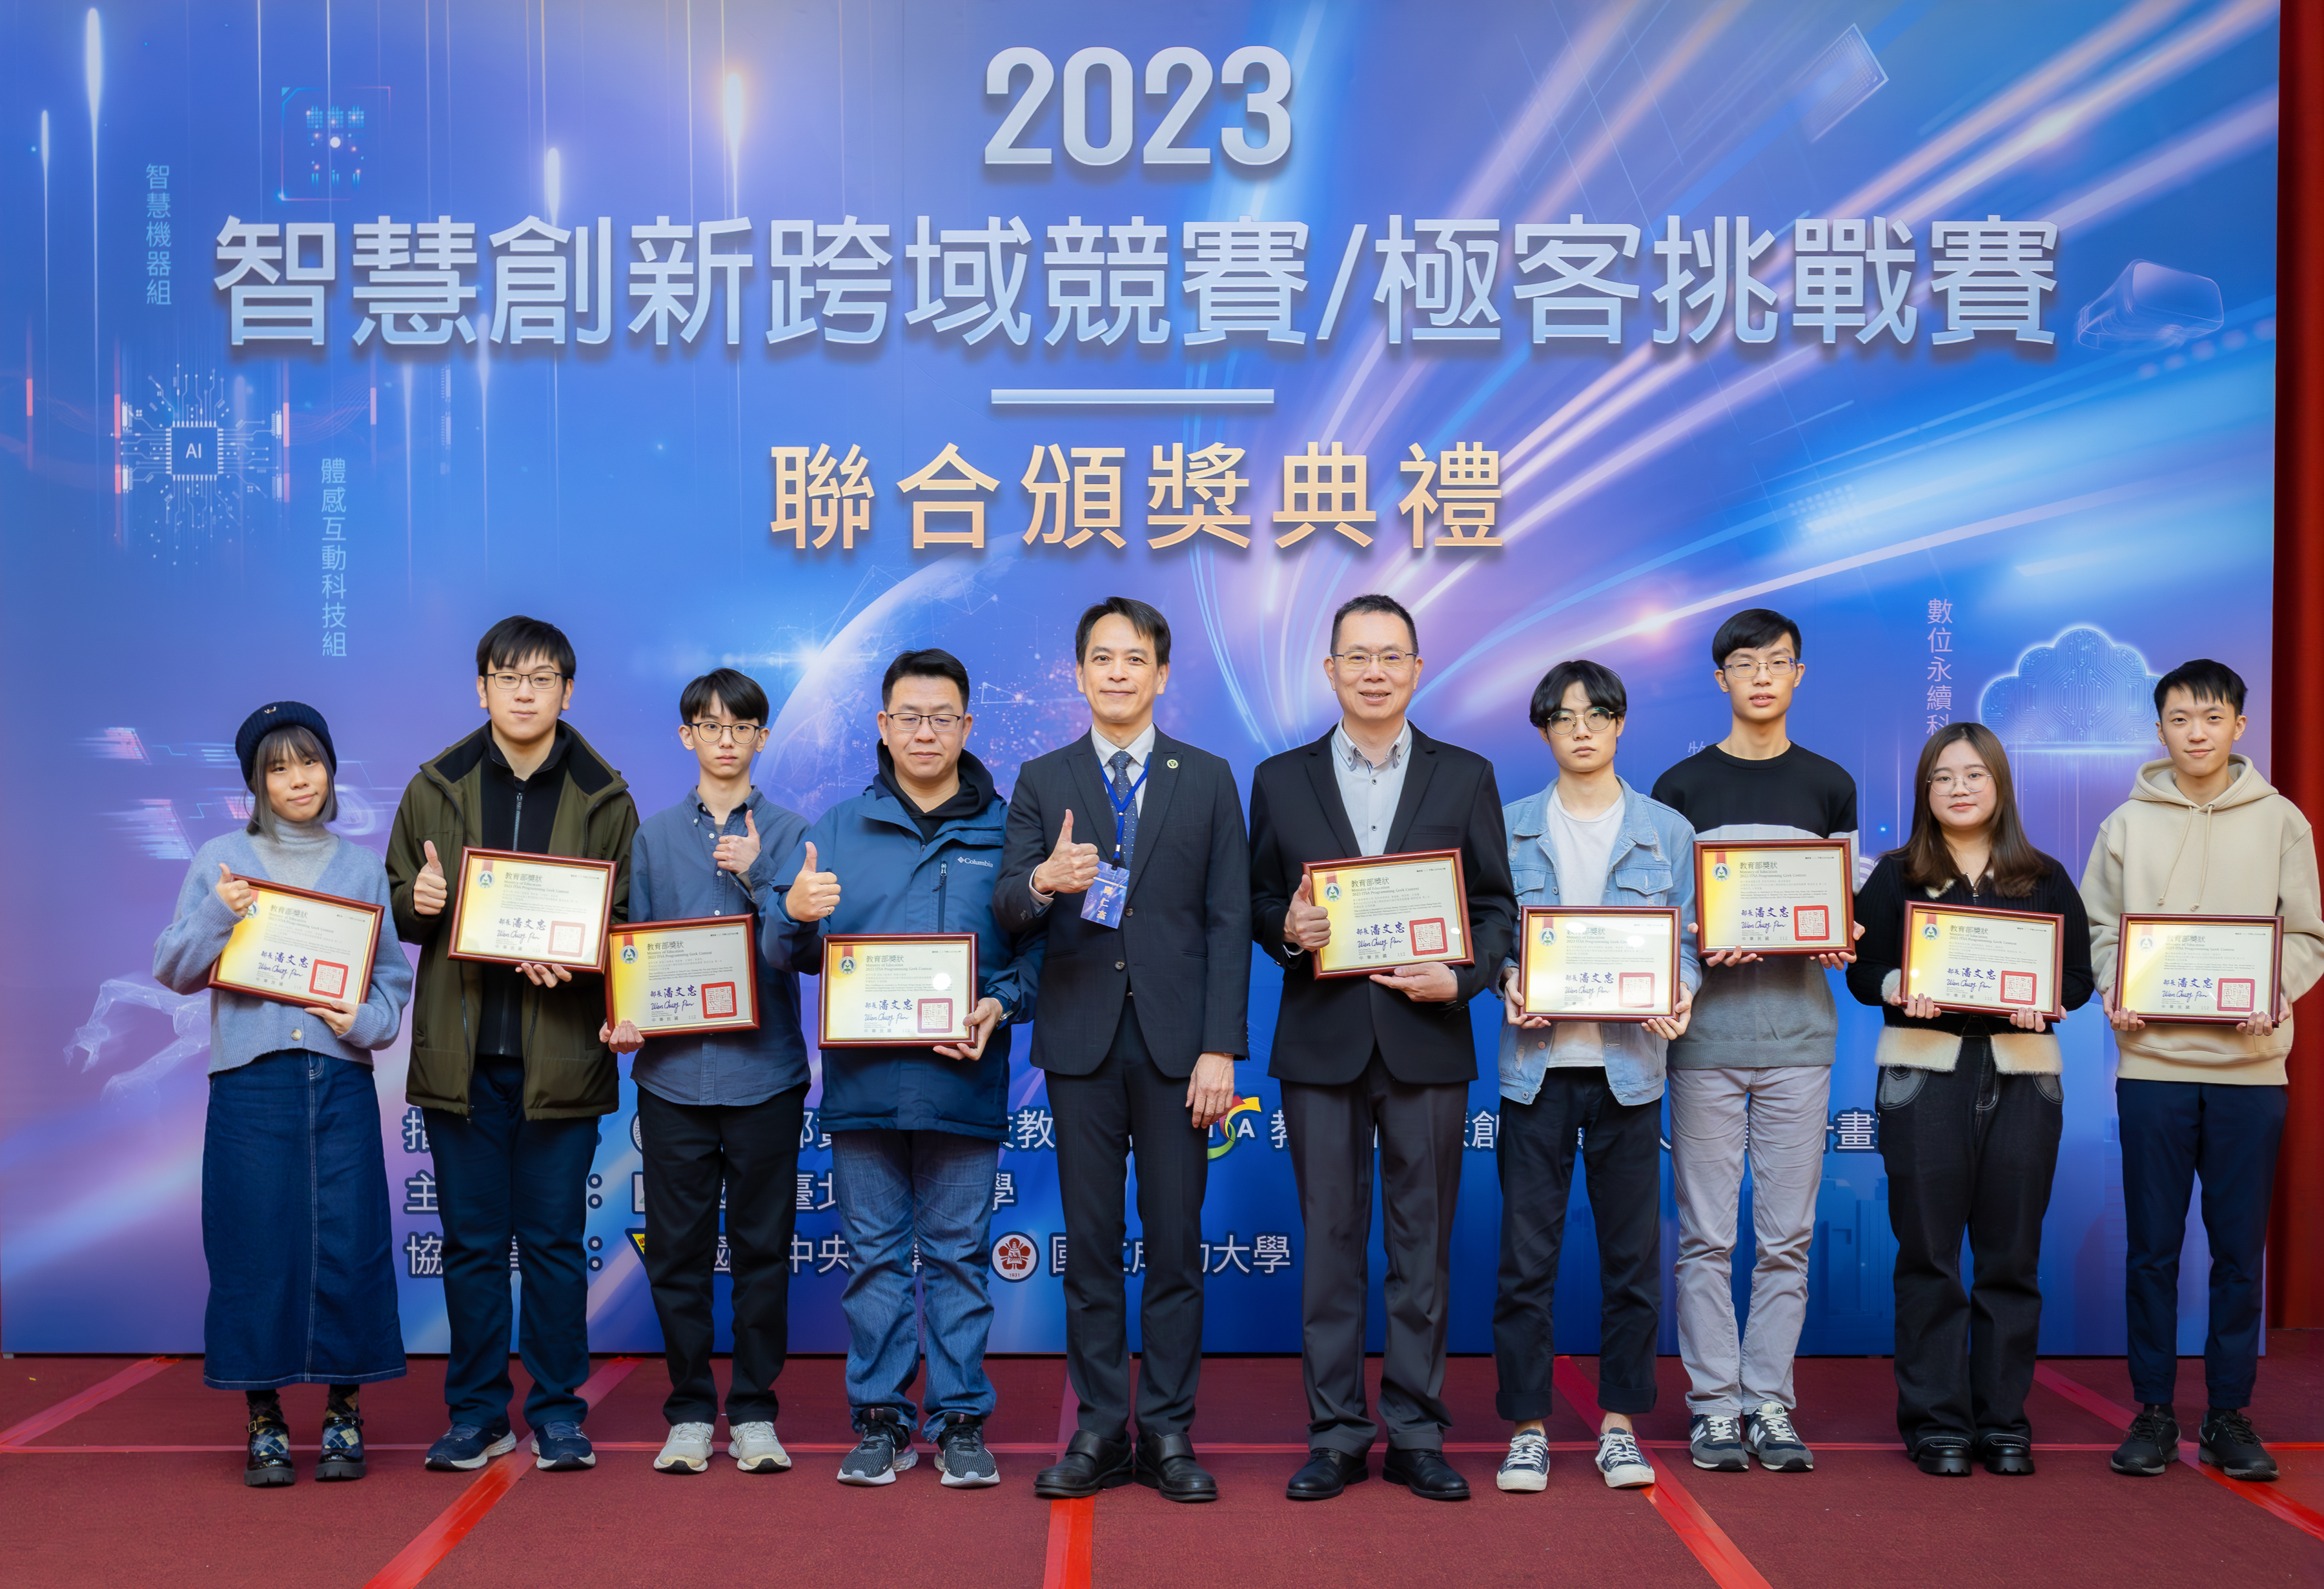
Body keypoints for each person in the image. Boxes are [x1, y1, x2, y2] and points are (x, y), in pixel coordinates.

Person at [1248, 593, 1518, 1504]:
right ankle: (1334, 1434)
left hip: (1427, 1039)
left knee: (1421, 1249)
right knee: (1328, 1247)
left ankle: (1416, 1432)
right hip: (1320, 1041)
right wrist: (1287, 928)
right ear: (1329, 670)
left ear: (1416, 668)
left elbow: (1496, 907)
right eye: (1356, 656)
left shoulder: (1465, 774)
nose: (1374, 671)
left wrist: (1463, 977)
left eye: (1391, 655)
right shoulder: (1279, 778)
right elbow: (1257, 901)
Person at [997, 598, 1250, 1504]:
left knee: (1176, 1244)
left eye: (1134, 658)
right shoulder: (1043, 777)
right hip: (1082, 1043)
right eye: (1101, 658)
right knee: (1094, 1245)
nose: (1117, 672)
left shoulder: (1208, 776)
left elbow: (1229, 919)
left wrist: (1221, 1046)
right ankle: (1102, 1426)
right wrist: (1042, 878)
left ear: (1162, 673)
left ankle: (1170, 1429)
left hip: (1182, 1049)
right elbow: (1006, 906)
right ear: (1078, 673)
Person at [773, 648, 1043, 1490]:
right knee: (875, 1261)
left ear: (967, 725)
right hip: (864, 1086)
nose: (926, 732)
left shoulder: (1007, 829)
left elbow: (1038, 954)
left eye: (943, 717)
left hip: (964, 1080)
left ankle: (960, 1419)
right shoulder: (838, 828)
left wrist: (1000, 1001)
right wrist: (794, 914)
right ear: (884, 726)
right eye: (910, 717)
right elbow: (790, 949)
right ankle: (881, 1418)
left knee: (960, 1258)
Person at [385, 616, 639, 1474]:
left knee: (557, 1245)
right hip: (461, 1060)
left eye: (541, 678)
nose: (524, 692)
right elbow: (402, 896)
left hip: (560, 1057)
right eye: (507, 676)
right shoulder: (435, 786)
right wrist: (419, 900)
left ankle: (560, 1412)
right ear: (481, 687)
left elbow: (625, 921)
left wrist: (583, 953)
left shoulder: (606, 797)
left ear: (568, 691)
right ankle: (477, 1413)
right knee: (471, 1246)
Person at [153, 702, 413, 1487]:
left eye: (311, 762)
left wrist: (363, 1019)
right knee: (252, 1242)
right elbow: (173, 967)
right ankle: (263, 1416)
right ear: (255, 782)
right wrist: (218, 911)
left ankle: (343, 1410)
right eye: (278, 767)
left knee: (349, 1239)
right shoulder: (222, 859)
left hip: (340, 1077)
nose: (299, 779)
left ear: (330, 770)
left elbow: (392, 980)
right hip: (251, 1080)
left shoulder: (361, 867)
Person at [2080, 660, 2322, 1483]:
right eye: (2180, 718)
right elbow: (2099, 929)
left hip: (2251, 1067)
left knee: (2237, 1253)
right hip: (2153, 1064)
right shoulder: (2125, 823)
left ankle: (2228, 1413)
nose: (2197, 732)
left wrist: (2274, 991)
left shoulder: (2282, 820)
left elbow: (2307, 935)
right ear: (2159, 730)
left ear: (2239, 727)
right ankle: (2153, 1410)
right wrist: (2117, 987)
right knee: (2151, 1248)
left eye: (2213, 718)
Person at [1846, 722, 2093, 1477]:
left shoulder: (2044, 875)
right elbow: (1862, 970)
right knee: (1928, 1253)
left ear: (1999, 785)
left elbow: (2078, 977)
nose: (1959, 787)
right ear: (1925, 790)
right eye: (1943, 776)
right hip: (1924, 1074)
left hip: (2024, 1074)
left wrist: (2045, 998)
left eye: (1974, 774)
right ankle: (1937, 1421)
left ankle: (2003, 1420)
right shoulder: (1897, 875)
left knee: (2011, 1256)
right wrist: (1899, 985)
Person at [1650, 607, 1860, 1475]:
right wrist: (1698, 937)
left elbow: (1840, 913)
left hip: (1799, 1038)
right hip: (1704, 1039)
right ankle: (1713, 1407)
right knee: (1706, 1237)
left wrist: (1839, 936)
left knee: (1786, 1237)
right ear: (1722, 678)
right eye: (1746, 663)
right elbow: (1661, 922)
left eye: (1778, 661)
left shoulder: (1830, 784)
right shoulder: (1679, 787)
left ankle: (1769, 1401)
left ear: (1799, 674)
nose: (1763, 676)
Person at [1491, 662, 1698, 1495]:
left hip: (1630, 1073)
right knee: (1524, 1263)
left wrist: (1681, 989)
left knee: (1631, 1262)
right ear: (1543, 728)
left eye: (1598, 714)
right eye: (1564, 716)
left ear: (1620, 723)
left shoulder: (1667, 829)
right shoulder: (1508, 826)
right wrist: (1507, 976)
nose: (1581, 728)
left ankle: (1619, 1426)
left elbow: (1688, 940)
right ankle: (1527, 1430)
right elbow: (1493, 933)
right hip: (1535, 1072)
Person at [600, 669, 812, 1477]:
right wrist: (624, 1016)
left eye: (742, 725)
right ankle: (689, 1410)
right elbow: (634, 948)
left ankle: (755, 1411)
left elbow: (803, 953)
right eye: (710, 724)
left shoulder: (792, 832)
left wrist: (760, 875)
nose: (726, 738)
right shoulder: (653, 836)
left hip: (766, 1075)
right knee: (677, 1255)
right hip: (673, 1078)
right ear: (686, 735)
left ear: (762, 736)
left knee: (764, 1252)